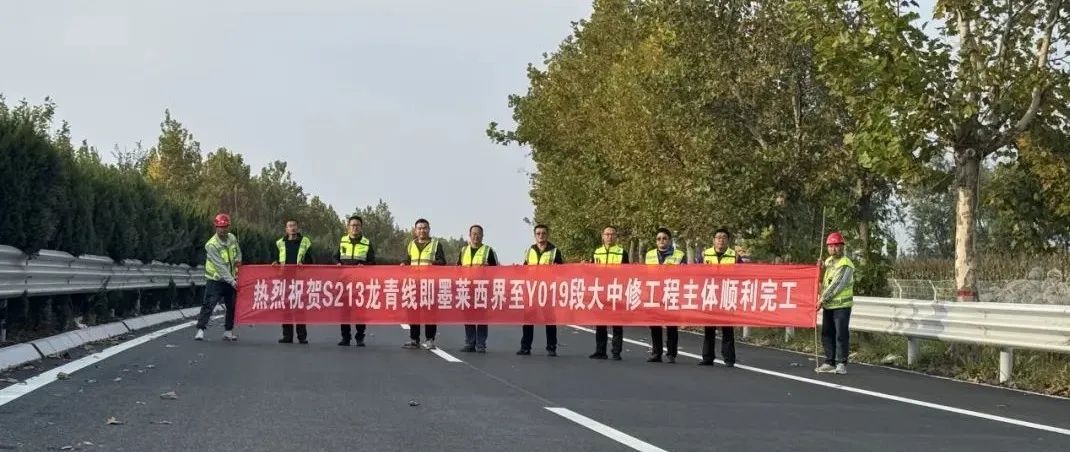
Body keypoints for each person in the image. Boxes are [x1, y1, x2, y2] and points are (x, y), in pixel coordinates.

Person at [195, 213, 242, 341]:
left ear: (229, 227)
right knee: (209, 304)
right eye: (220, 227)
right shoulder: (211, 245)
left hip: (230, 278)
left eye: (225, 227)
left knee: (232, 305)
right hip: (215, 279)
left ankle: (228, 331)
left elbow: (238, 252)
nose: (223, 230)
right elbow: (220, 266)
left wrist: (238, 260)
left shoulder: (232, 238)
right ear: (216, 227)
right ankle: (200, 329)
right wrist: (232, 281)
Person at [518, 224, 562, 357]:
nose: (541, 235)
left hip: (547, 290)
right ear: (534, 235)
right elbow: (525, 269)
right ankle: (525, 347)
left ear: (547, 235)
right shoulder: (529, 250)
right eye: (538, 233)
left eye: (543, 233)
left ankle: (551, 347)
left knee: (549, 320)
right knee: (528, 319)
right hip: (532, 290)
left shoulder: (554, 251)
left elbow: (562, 270)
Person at [402, 218, 446, 350]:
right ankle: (414, 339)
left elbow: (442, 261)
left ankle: (430, 339)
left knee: (429, 312)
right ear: (415, 230)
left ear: (429, 229)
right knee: (413, 312)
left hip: (429, 283)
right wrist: (404, 263)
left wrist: (431, 265)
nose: (422, 230)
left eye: (424, 228)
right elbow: (408, 259)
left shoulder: (436, 244)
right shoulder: (411, 244)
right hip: (413, 283)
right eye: (419, 228)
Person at [699, 228, 739, 367]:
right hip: (710, 293)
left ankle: (729, 358)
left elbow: (742, 274)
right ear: (713, 240)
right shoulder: (705, 254)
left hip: (727, 293)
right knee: (709, 327)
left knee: (727, 328)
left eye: (724, 237)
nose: (721, 240)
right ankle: (707, 357)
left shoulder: (734, 256)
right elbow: (697, 272)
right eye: (718, 237)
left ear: (728, 240)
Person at [816, 231, 855, 375]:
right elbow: (823, 281)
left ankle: (841, 363)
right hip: (829, 305)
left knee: (840, 335)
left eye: (837, 245)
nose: (833, 248)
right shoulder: (828, 262)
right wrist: (819, 269)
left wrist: (822, 299)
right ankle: (829, 361)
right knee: (827, 333)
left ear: (842, 247)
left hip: (841, 306)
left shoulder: (846, 264)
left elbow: (837, 285)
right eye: (830, 246)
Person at [644, 228, 685, 363]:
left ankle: (671, 353)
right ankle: (656, 352)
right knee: (654, 324)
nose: (661, 241)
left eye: (664, 238)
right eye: (659, 239)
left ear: (670, 240)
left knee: (671, 325)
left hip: (672, 292)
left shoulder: (679, 255)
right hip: (654, 293)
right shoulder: (649, 255)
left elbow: (684, 274)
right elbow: (645, 274)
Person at [458, 224, 499, 353]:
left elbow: (496, 270)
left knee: (481, 317)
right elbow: (458, 268)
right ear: (469, 235)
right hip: (466, 287)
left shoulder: (488, 250)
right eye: (474, 234)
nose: (476, 236)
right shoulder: (464, 250)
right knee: (468, 316)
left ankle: (481, 344)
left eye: (478, 234)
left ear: (482, 235)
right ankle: (470, 343)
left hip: (482, 288)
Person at [590, 226, 628, 360]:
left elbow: (627, 272)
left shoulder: (622, 252)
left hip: (616, 291)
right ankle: (600, 351)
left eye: (612, 234)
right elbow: (592, 271)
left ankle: (616, 352)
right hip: (601, 291)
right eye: (607, 234)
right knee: (600, 323)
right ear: (602, 236)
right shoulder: (597, 252)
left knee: (616, 323)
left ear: (616, 236)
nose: (609, 237)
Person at [337, 215, 376, 347]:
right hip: (345, 282)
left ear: (361, 227)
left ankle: (360, 338)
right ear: (348, 227)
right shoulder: (343, 241)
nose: (355, 228)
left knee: (360, 311)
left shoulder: (366, 243)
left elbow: (372, 262)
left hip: (360, 283)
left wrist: (364, 265)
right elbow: (335, 257)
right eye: (353, 225)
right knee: (344, 312)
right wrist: (337, 263)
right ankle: (345, 338)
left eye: (357, 225)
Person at [275, 219, 312, 344]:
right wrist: (275, 262)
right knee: (286, 308)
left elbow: (311, 259)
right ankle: (287, 336)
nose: (292, 228)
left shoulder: (305, 241)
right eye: (290, 226)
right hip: (285, 279)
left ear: (298, 227)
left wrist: (304, 263)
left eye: (294, 225)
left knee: (300, 308)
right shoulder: (280, 243)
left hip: (300, 279)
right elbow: (277, 258)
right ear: (286, 229)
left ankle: (302, 336)